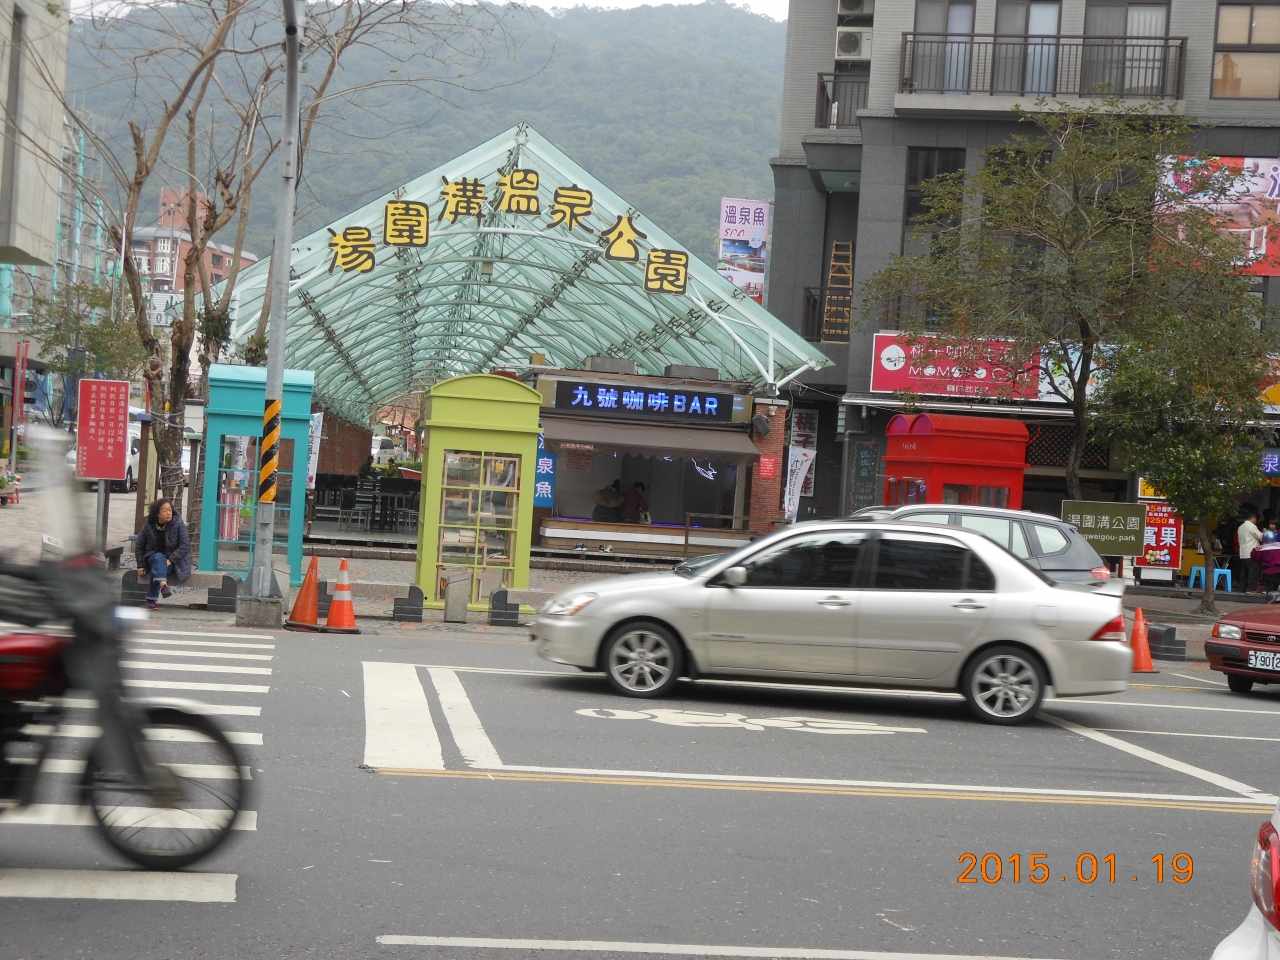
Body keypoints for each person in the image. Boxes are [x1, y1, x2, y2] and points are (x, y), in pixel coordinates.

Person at [134, 498, 191, 611]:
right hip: (153, 558)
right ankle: (163, 585)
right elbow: (139, 546)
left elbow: (185, 545)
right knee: (158, 558)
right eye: (165, 510)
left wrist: (171, 560)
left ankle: (152, 601)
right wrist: (140, 565)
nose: (169, 513)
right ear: (157, 513)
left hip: (174, 563)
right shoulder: (149, 524)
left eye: (170, 510)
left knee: (157, 568)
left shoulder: (178, 523)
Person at [1239, 509, 1263, 594]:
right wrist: (1265, 532)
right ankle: (1252, 588)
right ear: (1253, 518)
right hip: (1251, 552)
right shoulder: (1251, 526)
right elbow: (1261, 536)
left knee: (1244, 571)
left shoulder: (1240, 527)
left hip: (1243, 552)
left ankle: (1242, 588)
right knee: (1253, 571)